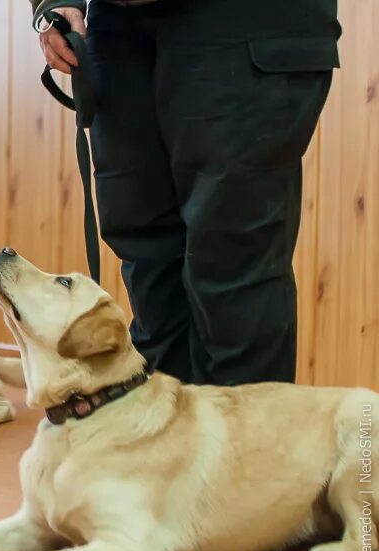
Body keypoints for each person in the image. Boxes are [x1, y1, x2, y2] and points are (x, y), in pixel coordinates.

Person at [35, 0, 340, 386]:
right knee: (146, 257)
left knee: (231, 265)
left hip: (249, 19)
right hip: (118, 25)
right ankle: (169, 444)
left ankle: (243, 445)